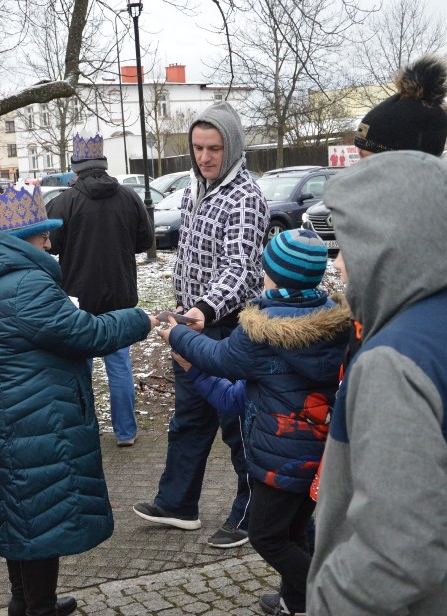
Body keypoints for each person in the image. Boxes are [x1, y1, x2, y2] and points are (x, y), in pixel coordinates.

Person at [0, 182, 158, 616]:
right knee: (41, 519)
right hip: (37, 421)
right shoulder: (27, 284)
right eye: (43, 233)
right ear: (24, 238)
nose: (50, 241)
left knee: (16, 515)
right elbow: (88, 334)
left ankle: (22, 600)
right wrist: (140, 318)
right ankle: (39, 607)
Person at [163, 229, 349, 615]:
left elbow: (218, 358)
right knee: (295, 530)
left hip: (280, 458)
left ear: (272, 274)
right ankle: (296, 604)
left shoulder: (261, 330)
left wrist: (179, 334)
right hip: (320, 454)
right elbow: (237, 394)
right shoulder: (332, 323)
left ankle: (332, 597)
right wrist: (195, 371)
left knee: (267, 536)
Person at [306, 152, 447, 615]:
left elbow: (399, 550)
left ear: (385, 243)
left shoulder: (393, 360)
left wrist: (331, 602)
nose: (342, 264)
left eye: (349, 245)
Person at [133, 101, 269, 549]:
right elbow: (191, 254)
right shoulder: (195, 188)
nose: (205, 157)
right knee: (189, 418)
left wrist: (205, 309)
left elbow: (240, 268)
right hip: (190, 324)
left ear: (231, 148)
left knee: (237, 423)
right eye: (198, 148)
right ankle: (177, 504)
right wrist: (184, 311)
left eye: (213, 148)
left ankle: (252, 513)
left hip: (226, 328)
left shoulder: (246, 197)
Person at [46, 133, 154, 447]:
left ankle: (84, 431)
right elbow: (145, 241)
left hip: (77, 299)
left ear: (75, 167)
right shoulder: (129, 197)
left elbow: (52, 245)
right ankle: (125, 433)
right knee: (119, 364)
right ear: (103, 163)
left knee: (80, 368)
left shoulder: (63, 202)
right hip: (120, 294)